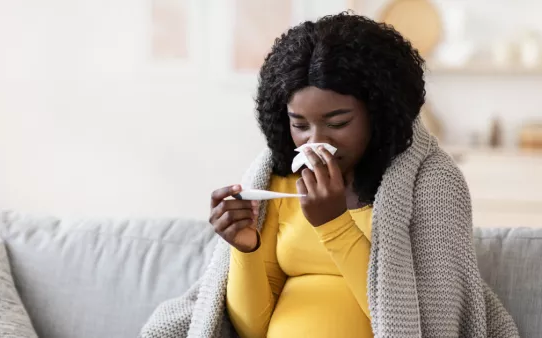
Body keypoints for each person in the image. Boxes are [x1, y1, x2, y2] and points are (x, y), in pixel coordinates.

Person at [140, 12, 518, 338]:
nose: (315, 142)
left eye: (337, 122)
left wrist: (335, 225)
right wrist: (246, 249)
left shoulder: (432, 183)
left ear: (379, 112)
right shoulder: (275, 178)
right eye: (299, 125)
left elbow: (421, 325)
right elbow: (250, 328)